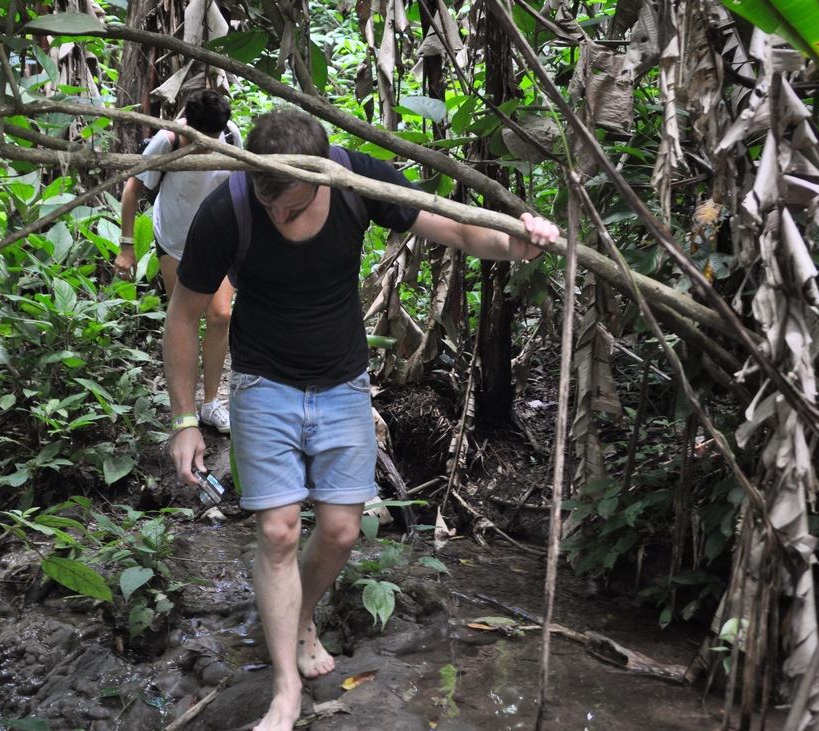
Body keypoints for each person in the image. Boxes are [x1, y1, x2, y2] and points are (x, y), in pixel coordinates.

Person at [164, 109, 560, 731]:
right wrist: (185, 418)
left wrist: (517, 240)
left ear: (322, 176)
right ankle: (285, 691)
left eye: (293, 207)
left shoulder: (354, 181)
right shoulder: (231, 207)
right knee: (278, 532)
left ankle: (298, 617)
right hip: (263, 383)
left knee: (342, 530)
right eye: (270, 205)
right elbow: (183, 316)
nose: (280, 218)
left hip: (342, 384)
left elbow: (456, 228)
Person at [114, 88, 242, 433]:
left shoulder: (230, 136)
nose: (208, 144)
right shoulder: (166, 141)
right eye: (201, 138)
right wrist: (127, 246)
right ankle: (184, 408)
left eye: (213, 137)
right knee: (184, 320)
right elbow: (132, 189)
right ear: (188, 125)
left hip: (218, 239)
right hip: (175, 240)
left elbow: (240, 184)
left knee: (220, 315)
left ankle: (211, 403)